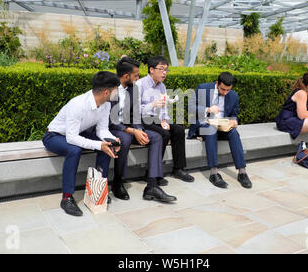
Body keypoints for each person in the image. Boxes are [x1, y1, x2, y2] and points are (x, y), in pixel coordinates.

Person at [42, 71, 121, 216]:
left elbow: (102, 130)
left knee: (106, 146)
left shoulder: (106, 104)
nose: (118, 92)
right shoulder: (78, 104)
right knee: (74, 150)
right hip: (54, 136)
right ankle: (66, 198)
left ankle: (98, 190)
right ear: (106, 92)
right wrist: (99, 145)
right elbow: (71, 138)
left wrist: (111, 140)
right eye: (116, 89)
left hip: (77, 133)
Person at [109, 56, 177, 202]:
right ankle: (117, 182)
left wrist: (139, 130)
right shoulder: (110, 89)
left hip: (131, 127)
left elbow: (135, 114)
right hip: (113, 129)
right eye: (136, 75)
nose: (138, 78)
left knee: (157, 137)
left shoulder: (133, 89)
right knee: (125, 140)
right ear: (127, 76)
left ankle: (151, 185)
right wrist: (134, 131)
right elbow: (111, 121)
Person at [187, 72, 252, 189]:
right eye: (223, 89)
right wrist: (207, 109)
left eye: (228, 90)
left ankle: (242, 172)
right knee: (211, 130)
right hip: (204, 125)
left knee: (234, 133)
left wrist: (234, 121)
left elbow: (234, 115)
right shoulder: (203, 88)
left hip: (222, 126)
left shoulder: (233, 96)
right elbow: (190, 107)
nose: (225, 93)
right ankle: (213, 173)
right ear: (217, 83)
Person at [135, 56, 194, 182]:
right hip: (142, 121)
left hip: (156, 120)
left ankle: (178, 169)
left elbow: (163, 106)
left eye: (166, 70)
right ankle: (153, 172)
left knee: (178, 130)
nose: (164, 73)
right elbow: (134, 110)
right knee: (164, 134)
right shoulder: (140, 85)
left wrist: (164, 120)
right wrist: (152, 105)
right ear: (151, 69)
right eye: (161, 69)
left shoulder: (162, 86)